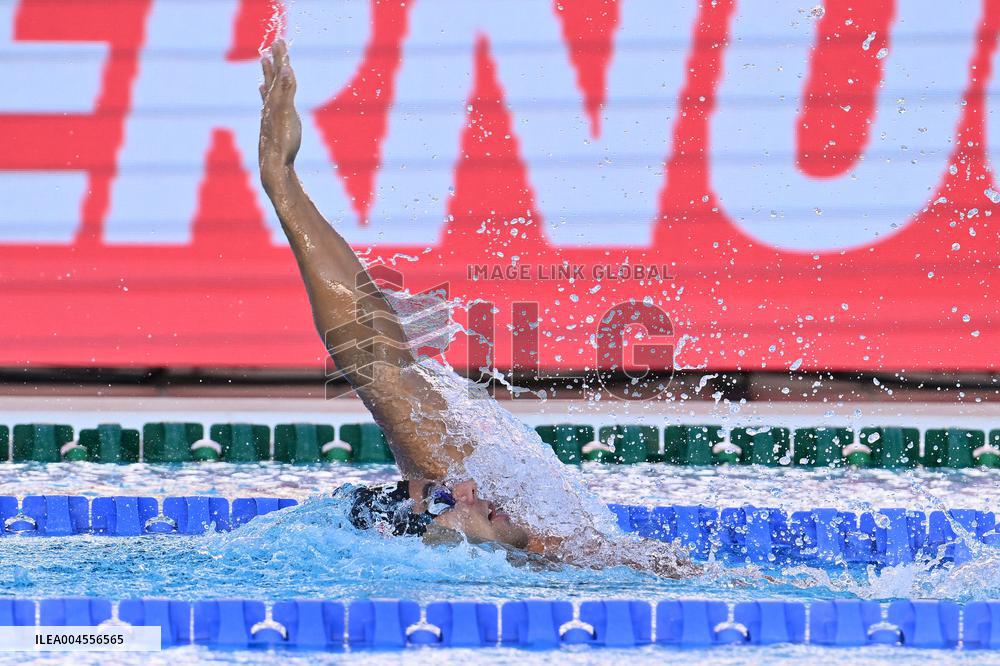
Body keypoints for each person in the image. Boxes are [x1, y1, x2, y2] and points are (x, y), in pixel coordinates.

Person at [258, 41, 697, 577]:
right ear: (432, 543)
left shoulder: (518, 530)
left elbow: (381, 364)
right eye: (444, 500)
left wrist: (284, 185)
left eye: (442, 487)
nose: (463, 487)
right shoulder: (507, 563)